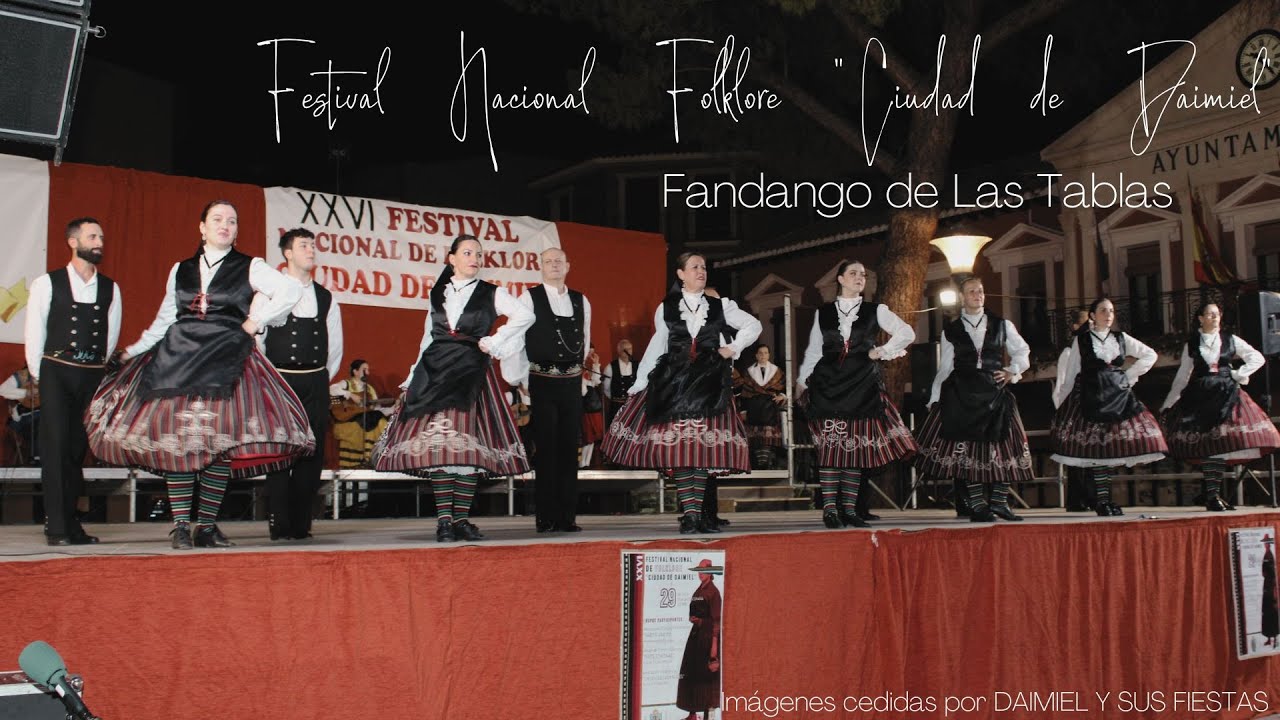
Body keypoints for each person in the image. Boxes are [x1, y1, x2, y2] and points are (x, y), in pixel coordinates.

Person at [86, 199, 313, 549]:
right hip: (179, 357)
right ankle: (180, 526)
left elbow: (290, 289)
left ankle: (205, 526)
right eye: (218, 219)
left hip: (227, 355)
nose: (226, 225)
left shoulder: (250, 265)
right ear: (202, 227)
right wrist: (130, 352)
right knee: (179, 443)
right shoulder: (181, 269)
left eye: (233, 221)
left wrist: (255, 322)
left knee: (218, 444)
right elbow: (165, 319)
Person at [371, 235, 535, 542]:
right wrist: (410, 380)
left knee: (467, 449)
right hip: (435, 373)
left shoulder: (491, 292)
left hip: (471, 373)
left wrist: (495, 340)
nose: (475, 257)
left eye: (479, 253)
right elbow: (426, 340)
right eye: (468, 252)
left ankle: (460, 520)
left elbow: (526, 315)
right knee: (442, 447)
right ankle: (445, 521)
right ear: (452, 259)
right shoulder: (437, 295)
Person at [601, 252, 761, 534]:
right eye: (695, 267)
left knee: (701, 452)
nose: (701, 271)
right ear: (680, 274)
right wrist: (639, 386)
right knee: (682, 453)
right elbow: (657, 346)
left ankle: (698, 515)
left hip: (709, 384)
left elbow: (753, 325)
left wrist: (731, 348)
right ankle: (690, 515)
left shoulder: (720, 305)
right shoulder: (667, 307)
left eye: (703, 267)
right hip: (676, 385)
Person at [796, 260, 916, 528]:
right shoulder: (824, 312)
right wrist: (802, 382)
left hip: (861, 383)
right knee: (830, 447)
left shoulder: (876, 310)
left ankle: (849, 510)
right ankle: (830, 509)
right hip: (827, 384)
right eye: (853, 273)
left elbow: (906, 332)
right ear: (840, 279)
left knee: (854, 450)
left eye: (863, 274)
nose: (860, 278)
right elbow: (815, 350)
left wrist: (880, 351)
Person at [25, 217, 122, 545]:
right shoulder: (47, 283)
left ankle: (71, 524)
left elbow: (110, 337)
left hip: (91, 374)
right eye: (93, 236)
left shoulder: (110, 287)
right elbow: (34, 332)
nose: (99, 242)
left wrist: (95, 366)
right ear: (72, 241)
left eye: (102, 237)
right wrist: (41, 376)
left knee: (77, 450)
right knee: (55, 449)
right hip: (55, 370)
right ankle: (56, 527)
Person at [914, 276, 1034, 523]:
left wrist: (1013, 371)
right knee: (970, 453)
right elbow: (946, 367)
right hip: (962, 395)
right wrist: (935, 399)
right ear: (962, 297)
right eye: (971, 291)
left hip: (994, 391)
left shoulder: (1002, 325)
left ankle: (1000, 503)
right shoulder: (952, 330)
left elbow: (1022, 351)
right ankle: (978, 505)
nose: (978, 295)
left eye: (980, 291)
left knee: (1005, 448)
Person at [256, 228, 344, 540]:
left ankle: (300, 524)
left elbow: (335, 348)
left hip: (316, 382)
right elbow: (258, 341)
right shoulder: (269, 293)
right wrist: (271, 381)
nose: (310, 250)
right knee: (281, 452)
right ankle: (278, 524)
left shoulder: (326, 297)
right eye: (303, 245)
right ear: (288, 253)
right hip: (280, 381)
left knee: (313, 452)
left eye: (312, 244)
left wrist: (319, 377)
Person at [502, 246, 592, 533]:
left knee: (569, 449)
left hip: (570, 382)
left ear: (568, 265)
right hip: (541, 381)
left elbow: (585, 339)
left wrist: (578, 377)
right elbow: (515, 339)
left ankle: (567, 517)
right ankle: (546, 517)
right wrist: (520, 379)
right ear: (540, 266)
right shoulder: (528, 298)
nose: (554, 265)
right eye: (548, 261)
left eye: (558, 261)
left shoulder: (581, 300)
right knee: (547, 451)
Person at [1050, 297, 1168, 516]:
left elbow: (1149, 354)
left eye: (1111, 311)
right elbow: (1073, 372)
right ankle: (1102, 500)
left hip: (1117, 396)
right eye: (1103, 310)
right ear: (1093, 316)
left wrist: (1129, 375)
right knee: (1097, 449)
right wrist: (1064, 403)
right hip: (1090, 396)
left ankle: (1105, 499)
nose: (1109, 315)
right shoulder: (1082, 340)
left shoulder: (1121, 338)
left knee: (1113, 447)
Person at [1159, 302, 1280, 511]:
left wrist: (1238, 374)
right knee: (1210, 446)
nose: (1215, 318)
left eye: (1217, 314)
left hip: (1226, 394)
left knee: (1222, 445)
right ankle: (1212, 495)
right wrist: (1169, 403)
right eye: (1210, 314)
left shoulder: (1230, 339)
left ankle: (1212, 494)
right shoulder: (1193, 343)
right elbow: (1183, 375)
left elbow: (1256, 357)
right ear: (1200, 318)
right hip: (1200, 396)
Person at [1055, 309, 1096, 512]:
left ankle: (1091, 496)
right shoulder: (1069, 353)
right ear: (1075, 327)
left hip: (1090, 407)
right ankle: (1076, 500)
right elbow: (1062, 383)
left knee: (1092, 455)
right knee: (1077, 458)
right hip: (1073, 409)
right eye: (1085, 322)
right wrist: (1062, 412)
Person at [677, 558, 722, 720]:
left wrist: (714, 648)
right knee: (691, 674)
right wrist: (693, 619)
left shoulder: (713, 592)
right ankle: (692, 714)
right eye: (699, 570)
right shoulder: (699, 590)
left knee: (705, 677)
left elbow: (717, 621)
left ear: (710, 572)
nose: (700, 573)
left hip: (708, 638)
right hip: (696, 636)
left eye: (703, 570)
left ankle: (706, 715)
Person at [329, 359, 392, 469]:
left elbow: (376, 409)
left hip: (364, 418)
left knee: (377, 416)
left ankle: (373, 456)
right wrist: (350, 395)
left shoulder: (370, 389)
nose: (367, 372)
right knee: (373, 417)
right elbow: (331, 390)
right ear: (355, 371)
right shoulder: (346, 384)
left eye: (368, 370)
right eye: (364, 369)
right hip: (347, 418)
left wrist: (393, 409)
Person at [734, 344, 788, 469]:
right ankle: (757, 464)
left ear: (769, 355)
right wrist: (743, 410)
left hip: (770, 407)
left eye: (765, 353)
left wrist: (782, 396)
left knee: (768, 438)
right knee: (755, 438)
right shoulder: (749, 372)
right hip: (754, 407)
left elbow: (785, 387)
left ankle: (767, 463)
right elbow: (744, 393)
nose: (763, 355)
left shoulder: (777, 371)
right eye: (760, 353)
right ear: (756, 355)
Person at [0, 365, 40, 465]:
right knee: (39, 423)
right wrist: (26, 392)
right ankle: (38, 459)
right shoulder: (22, 375)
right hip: (24, 418)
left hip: (46, 417)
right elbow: (2, 389)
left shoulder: (51, 375)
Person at [602, 339, 637, 430]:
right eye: (625, 349)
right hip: (617, 407)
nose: (628, 351)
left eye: (630, 349)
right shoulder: (611, 367)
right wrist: (616, 399)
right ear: (619, 351)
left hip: (633, 406)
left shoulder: (637, 365)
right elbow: (606, 388)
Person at [580, 345, 604, 469]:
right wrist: (587, 383)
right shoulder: (579, 369)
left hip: (593, 407)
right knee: (586, 437)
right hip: (584, 408)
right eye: (589, 353)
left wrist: (596, 365)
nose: (591, 356)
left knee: (593, 438)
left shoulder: (590, 368)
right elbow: (582, 392)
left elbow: (597, 381)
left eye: (592, 353)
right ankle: (582, 463)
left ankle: (587, 463)